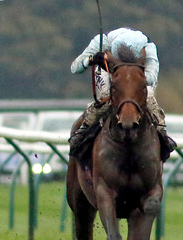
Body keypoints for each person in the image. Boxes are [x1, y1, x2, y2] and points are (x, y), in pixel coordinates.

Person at [68, 27, 176, 161]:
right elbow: (75, 68)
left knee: (148, 97)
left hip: (137, 77)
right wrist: (92, 59)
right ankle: (85, 129)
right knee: (106, 96)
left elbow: (151, 77)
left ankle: (161, 131)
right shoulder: (102, 42)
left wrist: (132, 78)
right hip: (109, 72)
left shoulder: (148, 47)